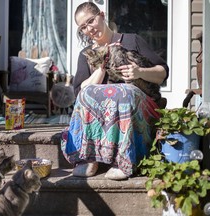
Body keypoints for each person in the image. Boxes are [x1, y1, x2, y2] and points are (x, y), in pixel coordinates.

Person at [61, 2, 169, 180]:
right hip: (102, 117)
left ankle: (123, 160)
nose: (89, 29)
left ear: (102, 15)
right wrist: (100, 68)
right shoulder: (86, 54)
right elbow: (80, 93)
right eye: (83, 27)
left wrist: (139, 72)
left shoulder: (131, 40)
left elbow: (163, 73)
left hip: (139, 109)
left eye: (91, 21)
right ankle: (90, 157)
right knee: (87, 93)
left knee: (124, 91)